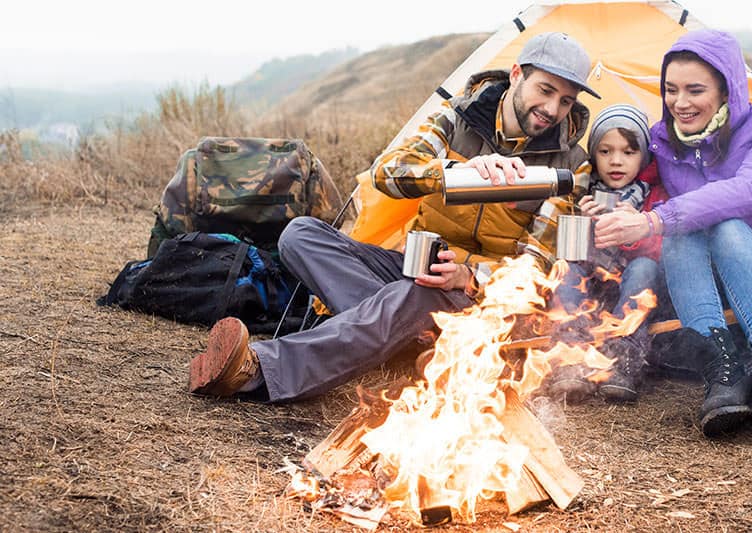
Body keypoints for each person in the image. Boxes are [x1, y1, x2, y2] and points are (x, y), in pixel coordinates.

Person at [186, 32, 600, 402]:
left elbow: (537, 265)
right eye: (545, 90)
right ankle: (411, 345)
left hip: (475, 299)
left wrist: (471, 277)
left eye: (566, 101)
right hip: (412, 267)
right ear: (515, 75)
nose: (552, 109)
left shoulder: (569, 165)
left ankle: (258, 369)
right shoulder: (456, 120)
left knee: (418, 293)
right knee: (299, 235)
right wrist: (455, 172)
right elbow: (388, 172)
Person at [591, 29, 752, 437]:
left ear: (727, 90)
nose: (680, 103)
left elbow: (748, 191)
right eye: (671, 90)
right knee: (679, 233)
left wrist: (656, 218)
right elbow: (617, 163)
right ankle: (722, 370)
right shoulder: (663, 140)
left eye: (695, 90)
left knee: (723, 227)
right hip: (696, 285)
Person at [546, 104, 666, 403]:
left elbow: (660, 253)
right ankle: (571, 360)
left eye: (628, 152)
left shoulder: (654, 197)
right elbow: (562, 249)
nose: (616, 161)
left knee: (644, 268)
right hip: (591, 292)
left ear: (644, 157)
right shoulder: (581, 190)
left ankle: (622, 361)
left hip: (631, 293)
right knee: (568, 268)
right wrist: (583, 222)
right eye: (605, 151)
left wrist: (635, 226)